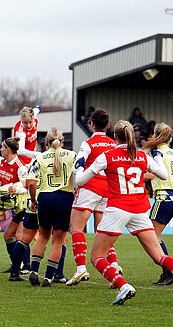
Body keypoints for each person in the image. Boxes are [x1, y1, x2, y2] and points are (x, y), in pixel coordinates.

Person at [74, 120, 173, 306]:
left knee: (97, 257)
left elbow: (79, 181)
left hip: (117, 209)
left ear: (115, 137)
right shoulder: (141, 156)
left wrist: (80, 165)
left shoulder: (107, 156)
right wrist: (155, 158)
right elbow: (163, 174)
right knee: (160, 257)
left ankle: (123, 286)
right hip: (140, 209)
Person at [65, 109, 123, 286]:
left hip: (90, 187)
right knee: (102, 230)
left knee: (76, 227)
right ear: (108, 125)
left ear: (91, 123)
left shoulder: (88, 143)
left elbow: (77, 165)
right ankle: (114, 265)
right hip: (109, 190)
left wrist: (79, 177)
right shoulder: (114, 145)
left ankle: (81, 269)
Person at [142, 122, 173, 286]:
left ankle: (169, 272)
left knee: (152, 238)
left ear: (156, 135)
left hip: (162, 199)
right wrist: (171, 179)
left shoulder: (157, 152)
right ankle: (168, 272)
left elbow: (152, 175)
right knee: (154, 237)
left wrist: (134, 177)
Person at [26, 127, 76, 287]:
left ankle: (33, 271)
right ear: (62, 140)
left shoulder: (39, 157)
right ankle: (48, 278)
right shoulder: (72, 155)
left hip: (46, 197)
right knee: (58, 240)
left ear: (46, 142)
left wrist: (33, 201)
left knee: (43, 237)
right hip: (65, 197)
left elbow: (31, 183)